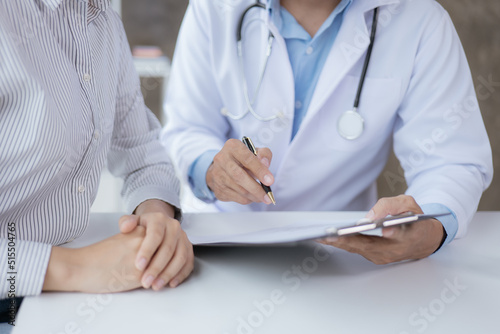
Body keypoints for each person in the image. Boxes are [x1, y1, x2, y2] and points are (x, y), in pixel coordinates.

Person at [162, 0, 493, 264]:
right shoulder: (214, 7)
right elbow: (188, 129)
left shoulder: (419, 20)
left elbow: (450, 160)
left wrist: (431, 229)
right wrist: (211, 169)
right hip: (220, 244)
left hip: (347, 255)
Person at [0, 0, 194, 322]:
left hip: (52, 301)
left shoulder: (103, 21)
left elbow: (140, 150)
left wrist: (156, 222)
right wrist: (77, 268)